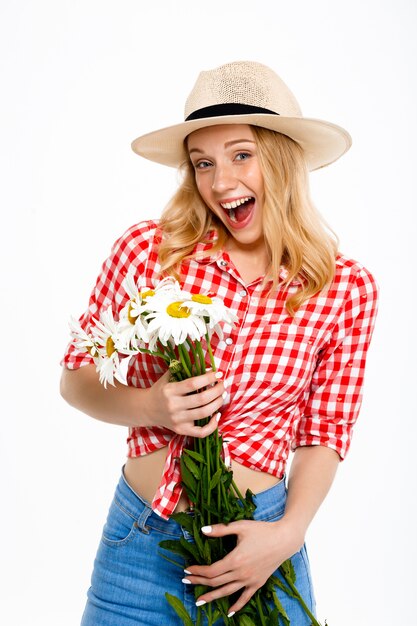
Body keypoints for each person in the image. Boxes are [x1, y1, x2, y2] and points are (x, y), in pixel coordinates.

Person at [60, 61, 378, 625]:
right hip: (140, 547)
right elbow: (77, 375)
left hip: (261, 550)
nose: (221, 182)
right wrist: (149, 406)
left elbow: (324, 434)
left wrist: (287, 534)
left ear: (281, 157)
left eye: (241, 155)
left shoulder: (345, 289)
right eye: (203, 163)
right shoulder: (148, 252)